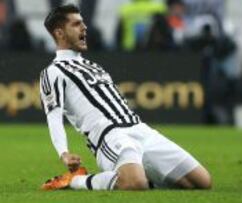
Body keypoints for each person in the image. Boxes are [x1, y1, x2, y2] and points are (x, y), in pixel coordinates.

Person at [40, 4, 211, 191]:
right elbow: (53, 115)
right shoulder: (53, 72)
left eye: (83, 23)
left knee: (201, 182)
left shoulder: (93, 66)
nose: (84, 27)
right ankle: (75, 180)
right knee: (135, 184)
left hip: (140, 129)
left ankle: (140, 176)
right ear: (59, 33)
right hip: (110, 136)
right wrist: (63, 153)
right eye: (76, 24)